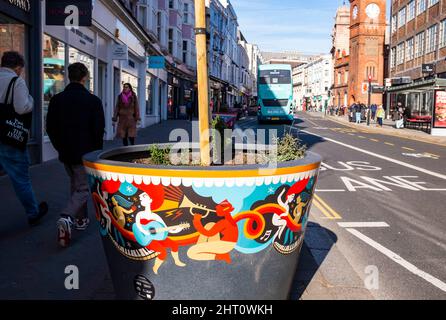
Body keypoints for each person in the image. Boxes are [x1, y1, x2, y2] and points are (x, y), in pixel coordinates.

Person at [46, 62, 105, 248]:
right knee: (83, 189)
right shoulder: (93, 101)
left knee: (76, 184)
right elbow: (98, 129)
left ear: (68, 76)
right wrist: (96, 152)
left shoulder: (57, 100)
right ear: (85, 77)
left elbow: (50, 128)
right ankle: (67, 217)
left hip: (66, 152)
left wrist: (59, 147)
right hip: (86, 152)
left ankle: (81, 220)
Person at [0, 51, 48, 226]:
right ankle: (33, 213)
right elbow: (22, 108)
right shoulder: (16, 82)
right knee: (21, 179)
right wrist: (31, 100)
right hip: (9, 138)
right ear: (18, 67)